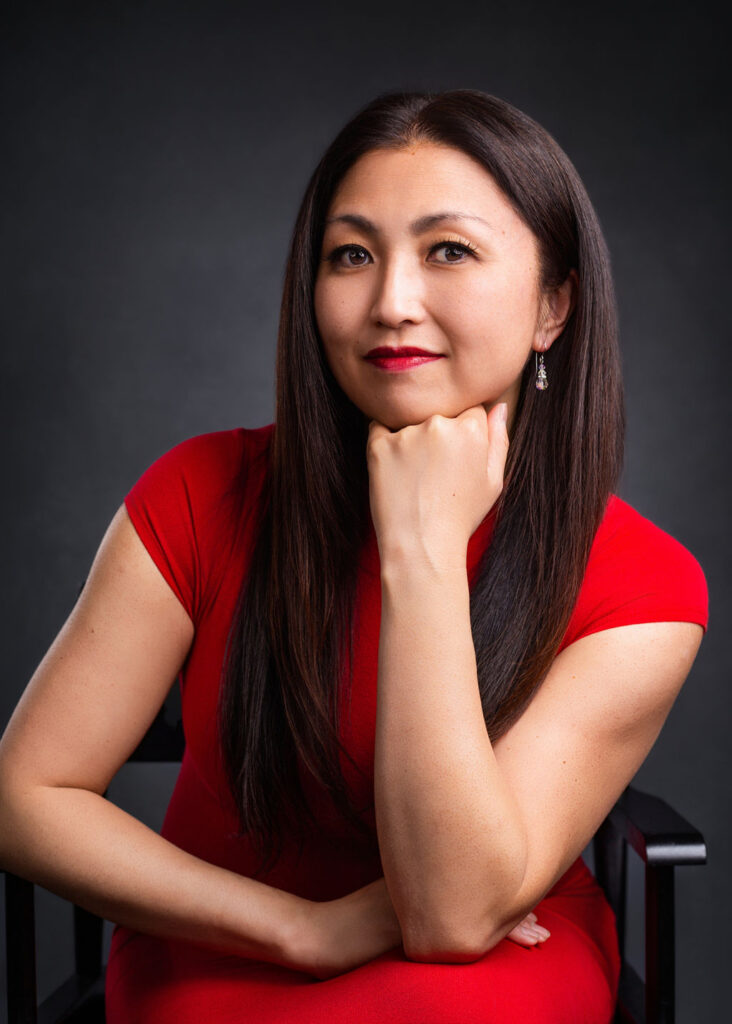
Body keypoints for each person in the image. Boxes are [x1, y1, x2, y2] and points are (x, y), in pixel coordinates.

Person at [0, 89, 708, 1023]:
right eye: (352, 255)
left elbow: (453, 916)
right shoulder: (201, 490)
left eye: (448, 251)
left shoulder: (642, 581)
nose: (391, 302)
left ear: (553, 304)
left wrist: (423, 547)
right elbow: (26, 795)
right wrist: (298, 927)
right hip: (223, 936)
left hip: (492, 953)